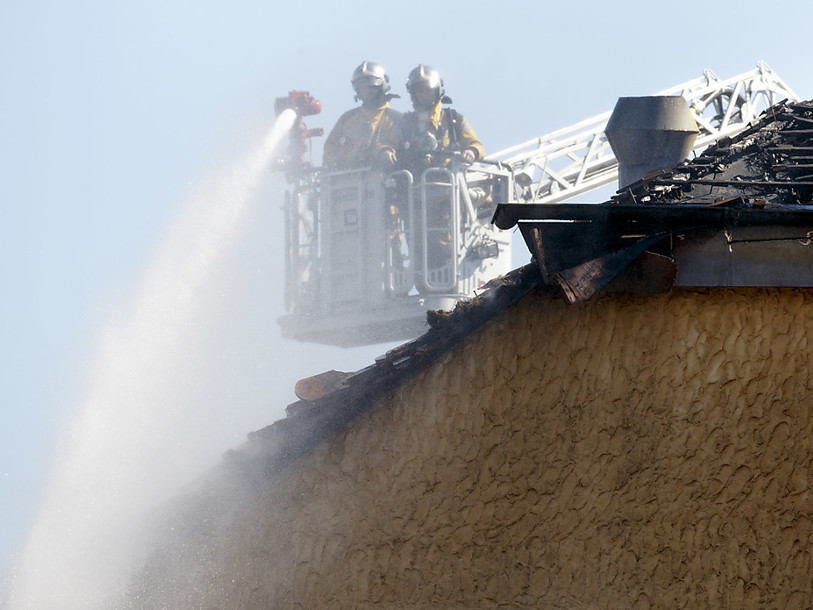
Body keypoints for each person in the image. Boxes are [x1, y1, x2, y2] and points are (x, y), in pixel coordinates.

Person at [398, 64, 485, 175]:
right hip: (413, 182)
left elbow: (476, 144)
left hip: (450, 180)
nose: (424, 94)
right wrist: (386, 151)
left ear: (437, 91)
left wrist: (472, 151)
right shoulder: (405, 122)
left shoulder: (454, 120)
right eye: (419, 91)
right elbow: (390, 143)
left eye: (428, 90)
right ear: (413, 94)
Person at [322, 61, 401, 170]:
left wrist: (385, 151)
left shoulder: (396, 119)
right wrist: (333, 160)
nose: (368, 92)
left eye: (372, 87)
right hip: (347, 177)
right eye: (363, 88)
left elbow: (403, 150)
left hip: (385, 177)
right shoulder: (347, 118)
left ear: (382, 86)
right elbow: (330, 147)